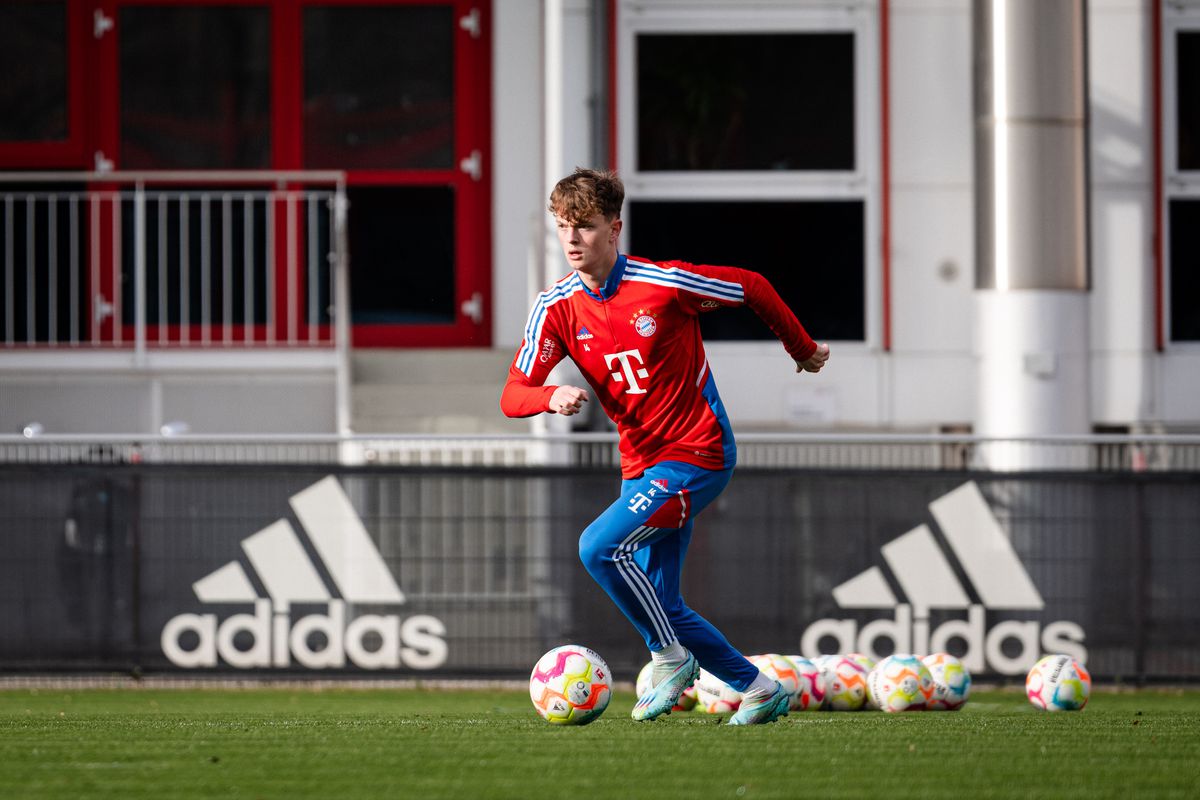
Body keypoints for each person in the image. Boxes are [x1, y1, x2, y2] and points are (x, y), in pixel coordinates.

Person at [501, 168, 830, 725]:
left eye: (584, 226)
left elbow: (750, 285)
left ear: (615, 228)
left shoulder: (665, 285)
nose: (573, 240)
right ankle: (758, 688)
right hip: (640, 466)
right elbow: (512, 394)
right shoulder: (555, 308)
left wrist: (799, 348)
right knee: (663, 600)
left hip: (698, 453)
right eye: (563, 228)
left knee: (598, 548)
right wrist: (547, 395)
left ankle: (669, 655)